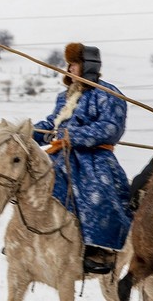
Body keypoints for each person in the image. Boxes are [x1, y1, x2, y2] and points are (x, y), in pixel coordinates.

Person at [33, 42, 132, 275]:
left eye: (74, 64)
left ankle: (100, 249)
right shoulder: (65, 97)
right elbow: (53, 124)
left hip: (95, 159)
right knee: (36, 185)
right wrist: (29, 132)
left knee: (97, 194)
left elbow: (110, 128)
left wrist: (73, 135)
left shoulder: (108, 93)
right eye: (68, 64)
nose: (69, 68)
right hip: (61, 157)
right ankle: (31, 238)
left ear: (88, 66)